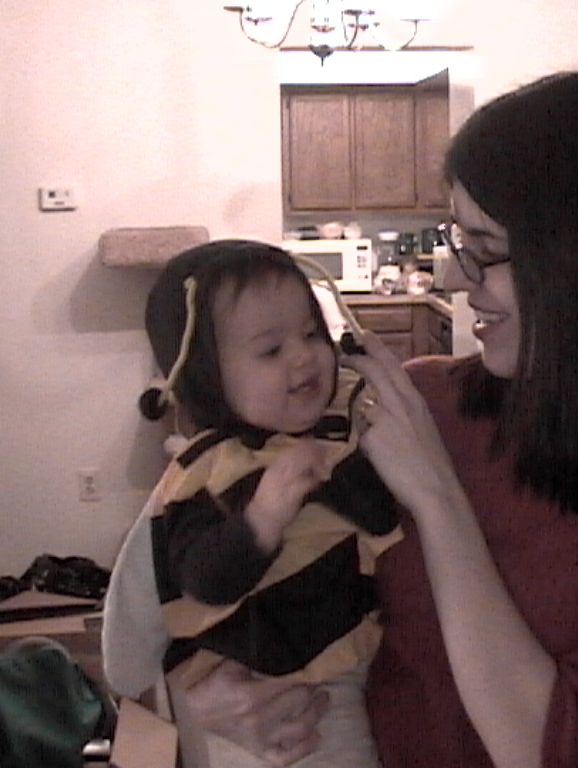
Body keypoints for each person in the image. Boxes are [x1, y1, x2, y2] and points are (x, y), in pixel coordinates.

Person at [104, 66, 578, 768]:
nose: (451, 277)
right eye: (459, 242)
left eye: (483, 250)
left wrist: (436, 497)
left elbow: (550, 752)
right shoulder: (418, 397)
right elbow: (165, 566)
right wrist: (202, 693)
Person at [121, 239, 400, 768]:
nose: (303, 356)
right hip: (282, 685)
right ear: (206, 377)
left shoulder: (342, 425)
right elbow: (201, 579)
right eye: (271, 350)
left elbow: (385, 517)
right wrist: (264, 515)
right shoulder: (205, 472)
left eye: (311, 334)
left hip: (350, 655)